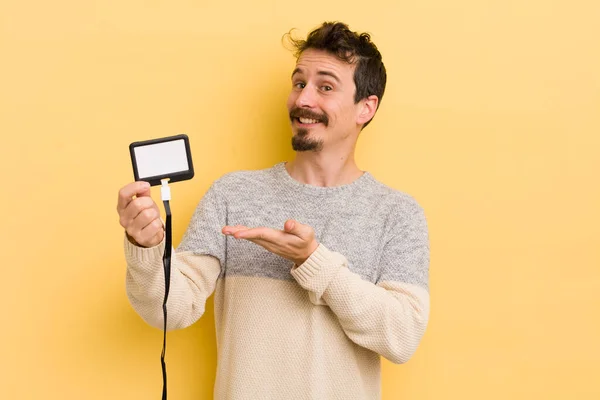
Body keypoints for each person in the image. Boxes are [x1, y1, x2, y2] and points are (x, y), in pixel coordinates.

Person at [117, 21, 430, 400]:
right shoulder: (234, 194)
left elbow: (402, 336)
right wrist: (146, 248)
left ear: (366, 107)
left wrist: (314, 262)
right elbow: (171, 308)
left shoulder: (396, 213)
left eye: (325, 87)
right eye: (299, 83)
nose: (303, 100)